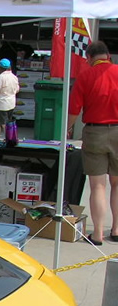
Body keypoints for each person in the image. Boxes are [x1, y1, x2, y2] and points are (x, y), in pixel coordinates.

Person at [67, 40, 118, 245]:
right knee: (117, 183)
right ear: (108, 56)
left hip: (95, 132)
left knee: (98, 185)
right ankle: (116, 229)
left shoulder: (85, 75)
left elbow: (74, 109)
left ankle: (97, 234)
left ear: (89, 58)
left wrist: (67, 130)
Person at [0, 58, 20, 139]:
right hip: (11, 103)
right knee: (0, 123)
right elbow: (17, 90)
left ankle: (11, 139)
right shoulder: (14, 77)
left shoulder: (0, 78)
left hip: (0, 105)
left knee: (3, 124)